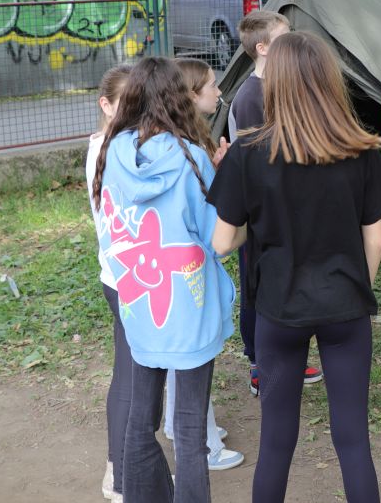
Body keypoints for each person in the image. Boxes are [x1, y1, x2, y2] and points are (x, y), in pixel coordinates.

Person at [208, 31, 381, 503]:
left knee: (276, 442)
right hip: (345, 307)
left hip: (278, 310)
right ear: (329, 80)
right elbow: (375, 238)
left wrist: (257, 217)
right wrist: (356, 290)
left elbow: (222, 243)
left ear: (276, 82)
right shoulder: (359, 149)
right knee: (353, 440)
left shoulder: (248, 153)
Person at [92, 56, 236, 503]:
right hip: (189, 307)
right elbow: (219, 242)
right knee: (190, 430)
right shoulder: (192, 157)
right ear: (179, 99)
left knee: (141, 420)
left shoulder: (113, 152)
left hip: (138, 302)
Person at [150, 57, 242, 472]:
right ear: (189, 95)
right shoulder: (189, 153)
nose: (219, 92)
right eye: (212, 85)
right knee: (194, 360)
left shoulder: (152, 145)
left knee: (177, 357)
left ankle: (177, 425)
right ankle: (205, 445)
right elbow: (215, 237)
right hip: (190, 272)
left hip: (159, 271)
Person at [227, 10, 323, 394]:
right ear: (264, 48)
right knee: (257, 285)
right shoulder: (251, 96)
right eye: (285, 36)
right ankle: (258, 362)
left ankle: (287, 355)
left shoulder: (282, 86)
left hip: (287, 208)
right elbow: (255, 161)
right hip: (258, 214)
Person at [87, 65, 131, 503]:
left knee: (134, 374)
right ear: (106, 104)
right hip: (126, 280)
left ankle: (127, 465)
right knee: (131, 377)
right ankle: (119, 473)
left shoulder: (113, 143)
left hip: (124, 277)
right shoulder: (112, 147)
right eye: (129, 103)